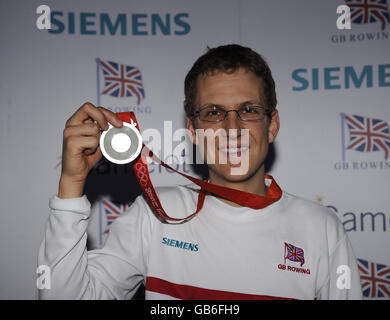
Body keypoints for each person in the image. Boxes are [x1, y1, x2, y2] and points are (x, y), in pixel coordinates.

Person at [38, 44, 362, 300]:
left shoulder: (321, 230)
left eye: (248, 110)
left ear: (272, 124)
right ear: (192, 130)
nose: (231, 128)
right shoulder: (153, 216)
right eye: (213, 113)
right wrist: (72, 184)